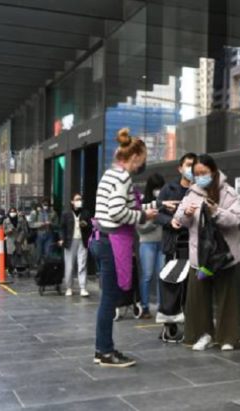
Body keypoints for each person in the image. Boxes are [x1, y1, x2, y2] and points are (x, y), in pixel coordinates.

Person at [91, 127, 157, 368]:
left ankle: (103, 349)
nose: (143, 164)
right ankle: (105, 351)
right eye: (143, 159)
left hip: (101, 239)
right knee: (109, 298)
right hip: (111, 241)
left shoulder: (110, 174)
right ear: (135, 157)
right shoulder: (122, 177)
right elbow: (117, 211)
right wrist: (142, 216)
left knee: (108, 297)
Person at [174, 154, 240, 352]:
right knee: (198, 297)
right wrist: (186, 214)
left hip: (223, 254)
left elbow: (236, 219)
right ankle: (203, 335)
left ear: (213, 171)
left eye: (203, 173)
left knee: (226, 295)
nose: (200, 177)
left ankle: (227, 337)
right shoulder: (191, 193)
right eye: (196, 173)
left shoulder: (228, 192)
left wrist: (216, 212)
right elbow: (179, 217)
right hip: (200, 255)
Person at [155, 153, 197, 259]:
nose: (191, 169)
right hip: (173, 244)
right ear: (180, 169)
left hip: (196, 245)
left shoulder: (201, 190)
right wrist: (170, 221)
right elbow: (157, 214)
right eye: (188, 165)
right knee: (173, 274)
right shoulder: (169, 189)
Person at [136, 173, 166, 318]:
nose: (158, 191)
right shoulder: (142, 202)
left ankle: (161, 307)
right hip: (147, 242)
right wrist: (154, 222)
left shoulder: (164, 202)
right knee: (147, 275)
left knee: (161, 275)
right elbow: (139, 228)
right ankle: (145, 306)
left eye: (160, 187)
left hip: (162, 243)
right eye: (156, 188)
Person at [59, 193, 93, 297]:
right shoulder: (66, 214)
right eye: (77, 199)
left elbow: (91, 226)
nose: (79, 201)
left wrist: (86, 225)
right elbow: (62, 227)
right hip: (70, 241)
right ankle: (69, 287)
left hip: (82, 240)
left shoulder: (85, 213)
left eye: (80, 199)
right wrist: (61, 239)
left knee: (82, 264)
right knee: (69, 265)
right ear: (72, 202)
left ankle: (83, 287)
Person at [3, 207, 30, 276]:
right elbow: (4, 231)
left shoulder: (21, 220)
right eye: (11, 212)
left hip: (20, 239)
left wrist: (20, 239)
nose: (12, 213)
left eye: (14, 211)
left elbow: (24, 230)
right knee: (10, 255)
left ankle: (21, 269)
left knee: (20, 254)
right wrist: (9, 231)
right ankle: (10, 270)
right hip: (10, 239)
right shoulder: (6, 220)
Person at [31, 199, 58, 264]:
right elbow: (31, 224)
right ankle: (38, 266)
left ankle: (47, 267)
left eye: (47, 205)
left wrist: (51, 223)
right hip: (39, 235)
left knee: (48, 253)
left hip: (49, 234)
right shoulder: (36, 212)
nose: (46, 206)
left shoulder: (53, 213)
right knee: (38, 253)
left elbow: (57, 224)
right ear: (42, 204)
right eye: (44, 204)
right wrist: (40, 224)